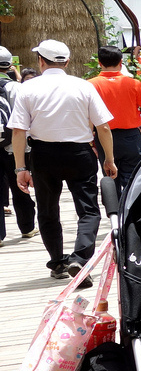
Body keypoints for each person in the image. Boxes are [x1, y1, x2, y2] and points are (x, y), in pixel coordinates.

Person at [9, 40, 117, 281]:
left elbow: (18, 131)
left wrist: (20, 168)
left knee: (48, 211)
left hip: (43, 155)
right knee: (89, 210)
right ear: (67, 62)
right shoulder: (83, 86)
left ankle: (58, 263)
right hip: (79, 153)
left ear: (40, 61)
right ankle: (80, 258)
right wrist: (109, 159)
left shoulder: (26, 88)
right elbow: (104, 127)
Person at [89, 46, 141, 194]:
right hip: (131, 137)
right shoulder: (134, 83)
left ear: (100, 63)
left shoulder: (90, 85)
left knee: (110, 176)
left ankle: (114, 213)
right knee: (134, 179)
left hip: (103, 136)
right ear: (121, 62)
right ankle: (132, 212)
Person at [0, 48, 36, 244]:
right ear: (9, 65)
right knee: (19, 185)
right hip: (14, 146)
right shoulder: (18, 88)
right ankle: (28, 227)